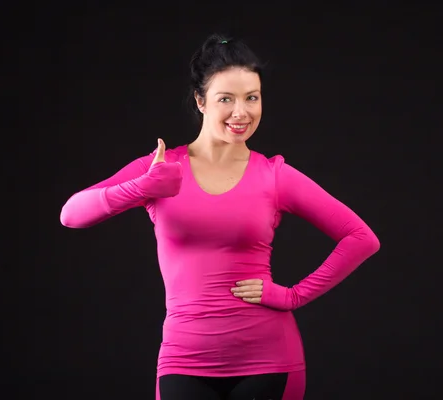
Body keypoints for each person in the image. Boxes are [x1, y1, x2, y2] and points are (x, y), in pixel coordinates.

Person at [59, 33, 380, 400]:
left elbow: (361, 237)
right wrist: (143, 187)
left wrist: (294, 296)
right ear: (201, 101)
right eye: (226, 98)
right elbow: (72, 215)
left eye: (252, 98)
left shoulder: (274, 175)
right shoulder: (161, 168)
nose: (241, 112)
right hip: (184, 360)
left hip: (269, 361)